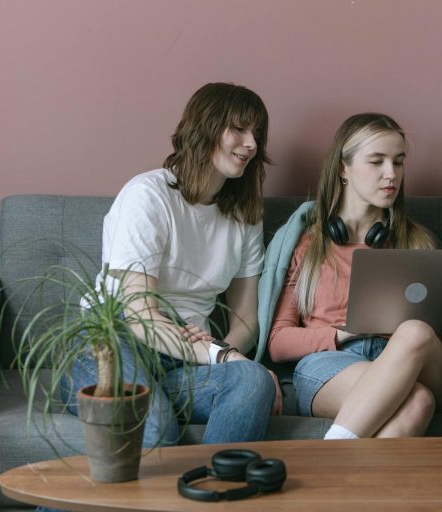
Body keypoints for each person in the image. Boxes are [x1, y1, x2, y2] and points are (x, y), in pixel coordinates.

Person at [60, 83, 281, 449]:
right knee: (157, 428)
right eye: (240, 129)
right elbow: (139, 315)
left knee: (253, 380)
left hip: (184, 361)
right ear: (205, 127)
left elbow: (245, 318)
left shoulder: (245, 215)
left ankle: (213, 495)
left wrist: (221, 355)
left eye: (257, 133)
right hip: (114, 346)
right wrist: (221, 354)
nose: (253, 144)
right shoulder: (148, 196)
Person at [256, 113, 442, 439]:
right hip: (331, 364)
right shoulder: (307, 245)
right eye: (376, 161)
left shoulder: (418, 242)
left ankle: (329, 451)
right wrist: (344, 332)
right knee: (417, 402)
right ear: (343, 168)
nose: (390, 174)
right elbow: (278, 342)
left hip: (416, 361)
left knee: (414, 331)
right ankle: (350, 479)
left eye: (398, 162)